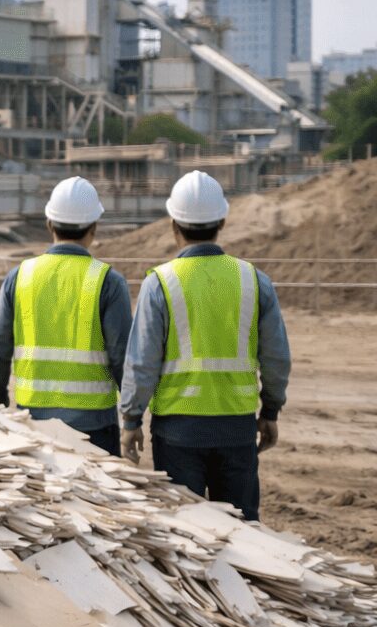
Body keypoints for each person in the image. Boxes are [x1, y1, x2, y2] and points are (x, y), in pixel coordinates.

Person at [120, 170, 291, 522]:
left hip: (177, 433)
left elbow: (142, 363)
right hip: (237, 429)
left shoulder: (161, 284)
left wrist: (131, 418)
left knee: (186, 536)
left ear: (173, 224)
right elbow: (276, 357)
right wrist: (270, 411)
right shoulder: (253, 281)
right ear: (222, 221)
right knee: (244, 535)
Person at [0, 176, 131, 455]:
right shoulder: (108, 281)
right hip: (95, 427)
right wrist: (132, 416)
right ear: (94, 228)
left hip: (34, 422)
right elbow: (122, 357)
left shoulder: (20, 277)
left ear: (49, 224)